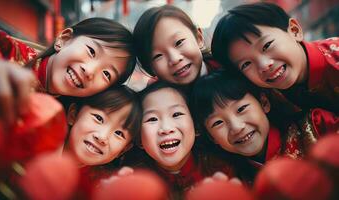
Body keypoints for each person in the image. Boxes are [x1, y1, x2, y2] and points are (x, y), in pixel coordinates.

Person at [0, 17, 136, 124]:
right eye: (92, 51)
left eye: (107, 74)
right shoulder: (6, 49)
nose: (89, 71)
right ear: (64, 39)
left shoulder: (67, 120)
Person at [190, 71, 338, 171]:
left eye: (241, 109)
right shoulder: (235, 182)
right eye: (217, 123)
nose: (236, 127)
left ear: (264, 103)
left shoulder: (317, 125)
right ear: (211, 136)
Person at [211, 2, 339, 114]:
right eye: (246, 64)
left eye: (267, 46)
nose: (264, 65)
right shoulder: (266, 101)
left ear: (294, 31)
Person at [137, 81, 237, 198]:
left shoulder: (222, 169)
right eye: (152, 119)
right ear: (138, 139)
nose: (166, 128)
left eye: (176, 114)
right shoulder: (131, 182)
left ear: (196, 126)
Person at [133, 5, 221, 87]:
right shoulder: (155, 100)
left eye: (179, 42)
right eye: (157, 56)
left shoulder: (228, 70)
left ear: (198, 38)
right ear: (149, 68)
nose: (175, 59)